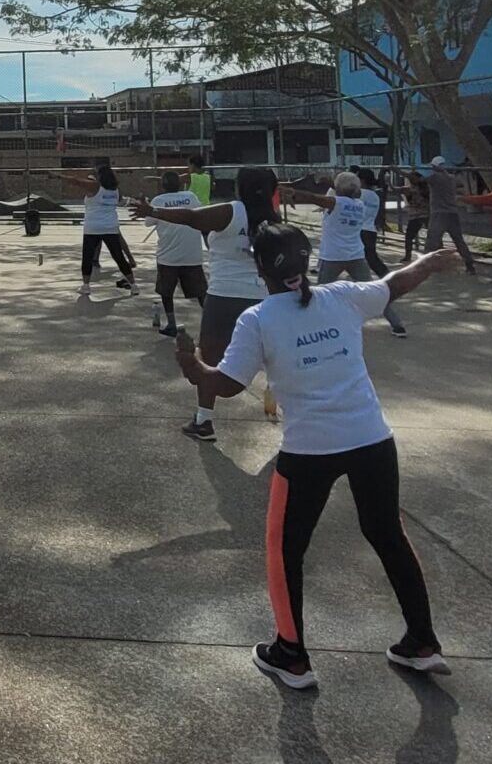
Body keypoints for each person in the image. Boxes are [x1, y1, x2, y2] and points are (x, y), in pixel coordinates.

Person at [172, 222, 460, 689]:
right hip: (372, 440)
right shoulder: (342, 295)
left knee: (285, 549)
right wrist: (431, 260)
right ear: (306, 261)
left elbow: (223, 386)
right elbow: (395, 284)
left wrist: (191, 366)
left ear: (259, 267)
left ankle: (291, 654)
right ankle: (422, 642)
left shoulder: (259, 319)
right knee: (388, 536)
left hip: (310, 451)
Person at [141, 167, 282, 435]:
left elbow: (191, 218)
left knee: (207, 360)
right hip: (265, 297)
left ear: (241, 186)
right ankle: (281, 396)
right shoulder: (274, 218)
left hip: (226, 296)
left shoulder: (232, 211)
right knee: (274, 355)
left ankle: (203, 420)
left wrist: (154, 211)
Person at [284, 171, 408, 336]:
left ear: (338, 188)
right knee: (373, 292)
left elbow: (313, 198)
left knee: (319, 294)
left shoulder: (336, 203)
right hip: (356, 255)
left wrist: (294, 192)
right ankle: (397, 324)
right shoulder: (359, 205)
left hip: (333, 256)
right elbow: (325, 197)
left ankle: (308, 325)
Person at [143, 170, 207, 339]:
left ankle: (171, 323)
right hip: (192, 253)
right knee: (201, 292)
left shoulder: (158, 201)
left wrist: (147, 206)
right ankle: (211, 321)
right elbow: (201, 214)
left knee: (166, 292)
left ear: (162, 185)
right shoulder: (191, 197)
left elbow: (148, 222)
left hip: (168, 256)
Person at [62, 162, 137, 294]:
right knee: (119, 257)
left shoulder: (96, 187)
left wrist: (58, 176)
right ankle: (134, 285)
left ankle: (86, 285)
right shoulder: (116, 190)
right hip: (110, 227)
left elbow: (76, 181)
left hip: (93, 228)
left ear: (100, 177)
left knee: (87, 257)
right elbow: (119, 200)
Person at [419, 158, 478, 271]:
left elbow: (419, 180)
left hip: (439, 213)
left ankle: (424, 265)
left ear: (435, 167)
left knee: (432, 240)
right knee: (458, 240)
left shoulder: (434, 177)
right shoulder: (451, 178)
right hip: (452, 212)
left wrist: (399, 172)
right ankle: (469, 263)